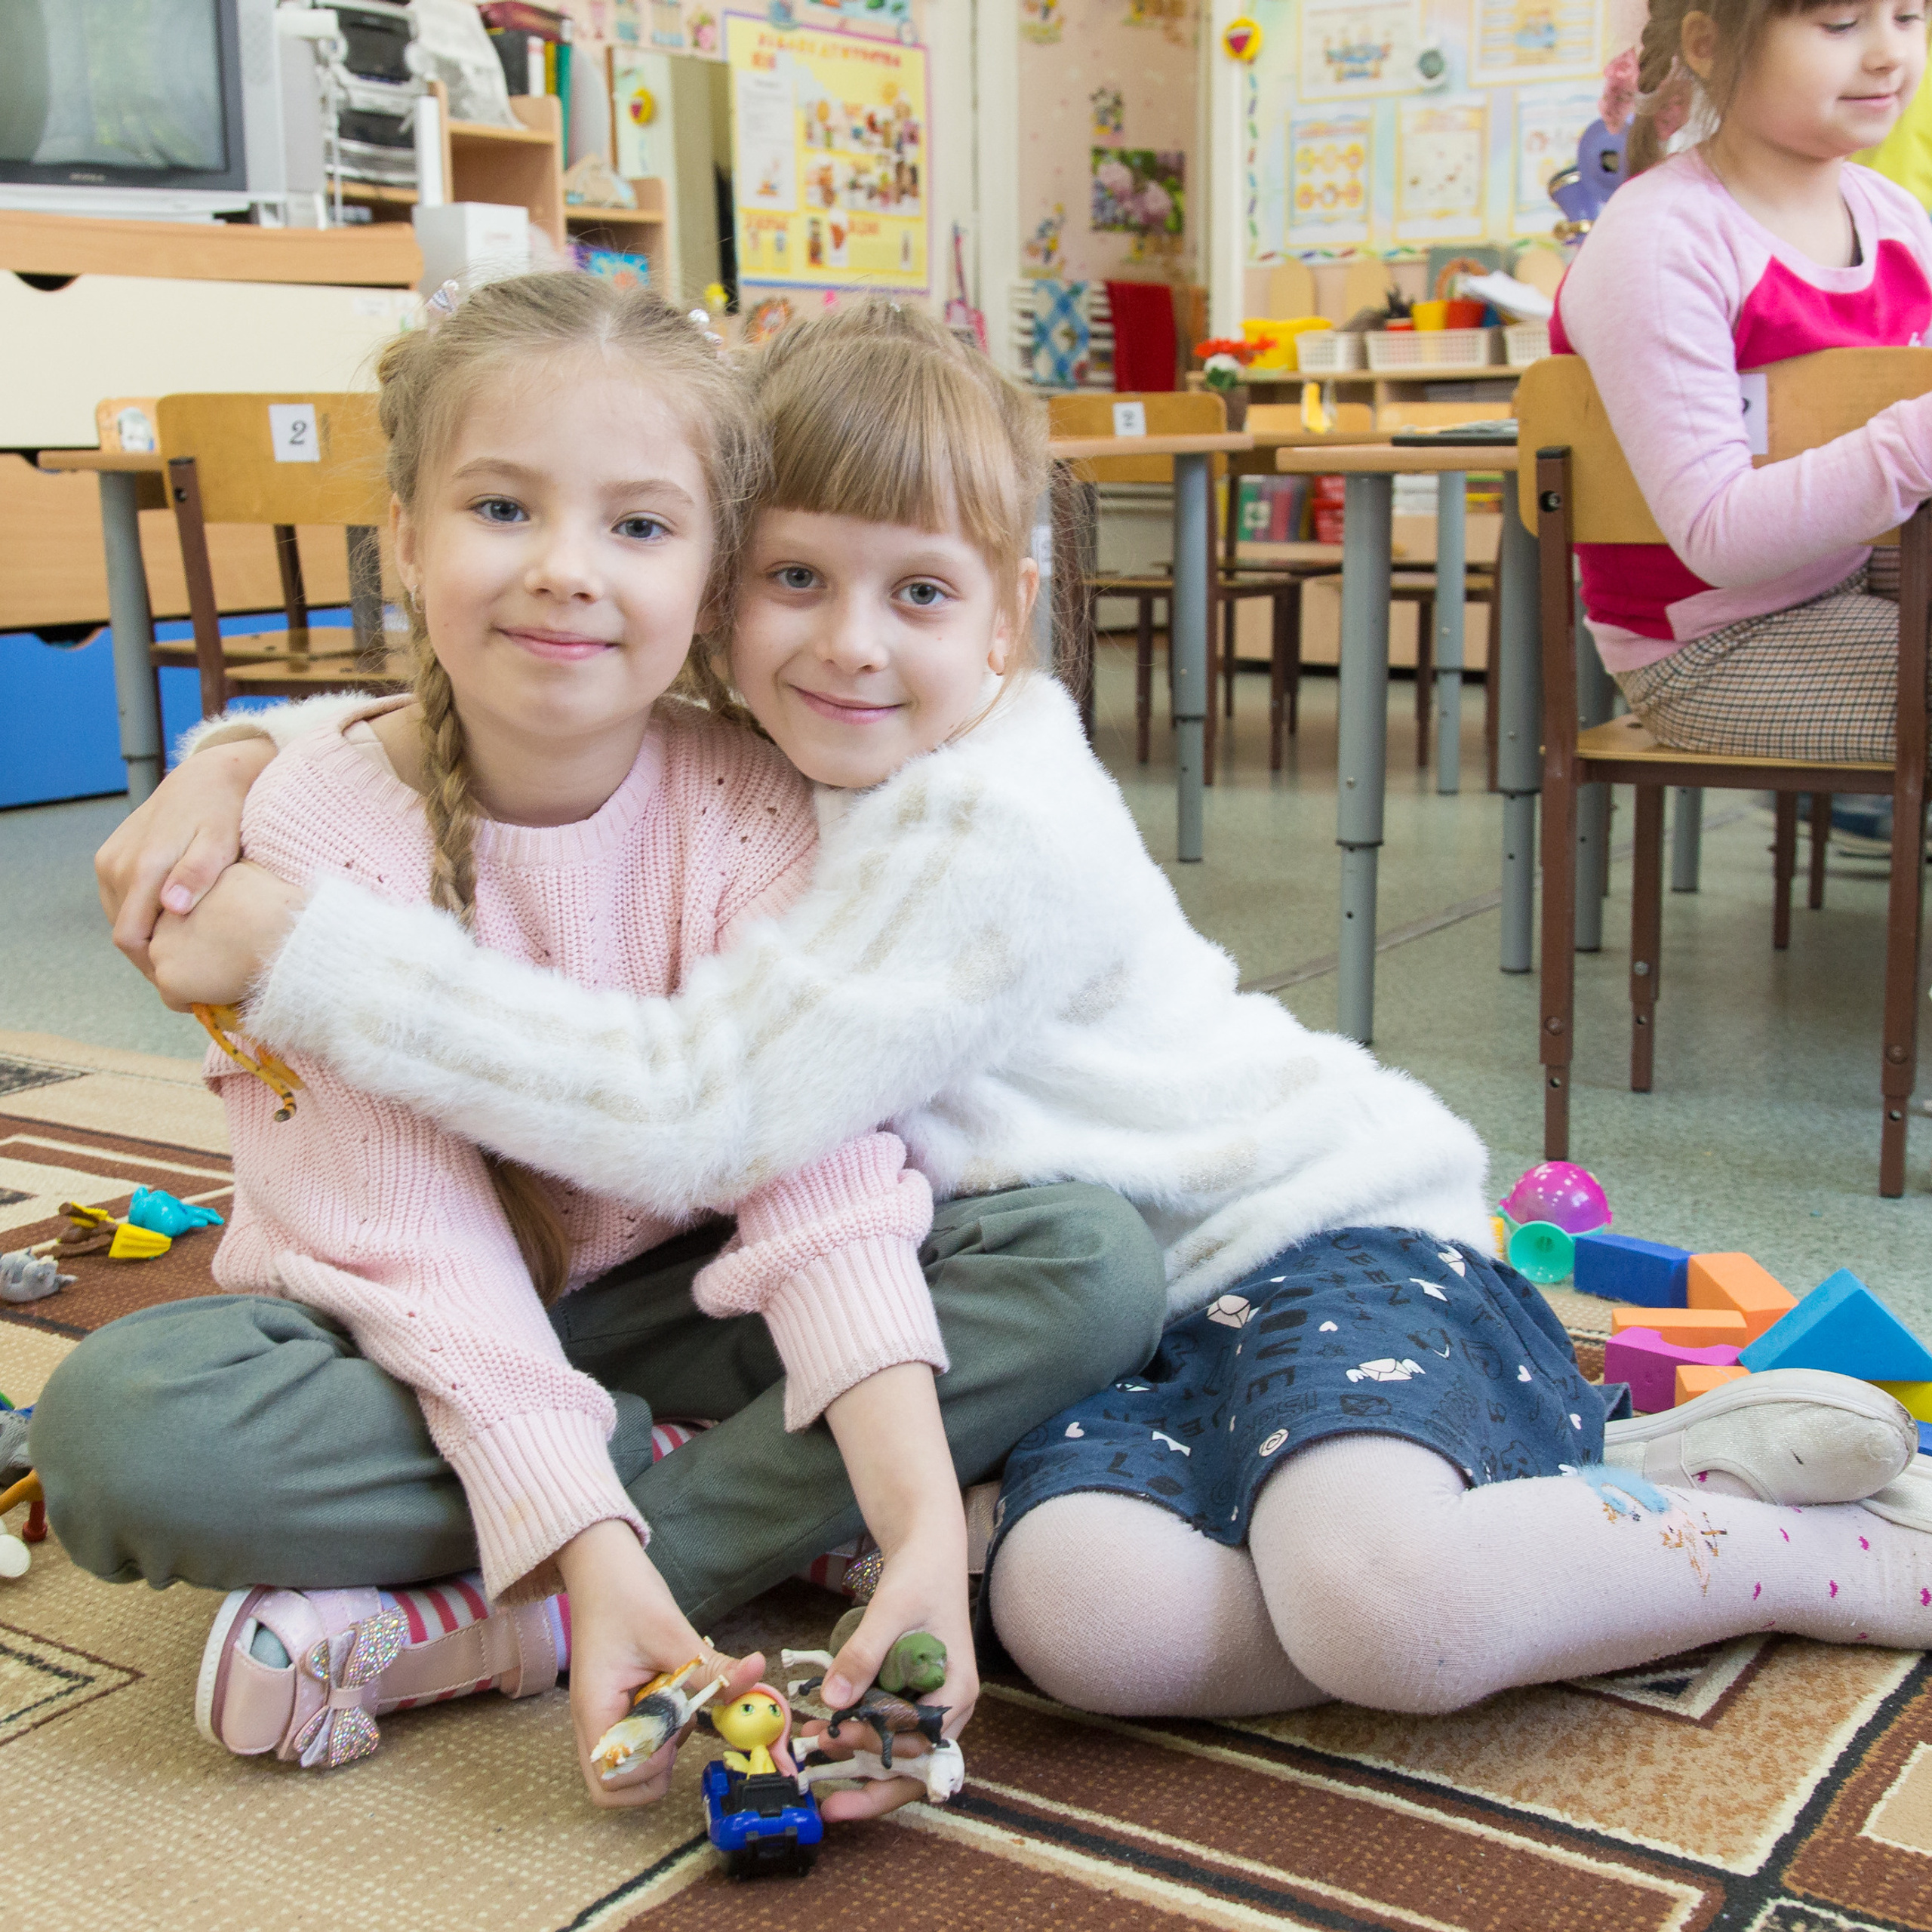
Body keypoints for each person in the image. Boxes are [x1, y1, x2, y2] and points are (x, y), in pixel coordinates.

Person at [99, 300, 1927, 1732]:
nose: (847, 643)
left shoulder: (966, 815)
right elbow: (421, 713)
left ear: (1009, 616)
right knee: (1075, 1623)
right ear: (722, 597)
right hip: (1056, 1346)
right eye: (792, 581)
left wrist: (302, 952)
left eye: (918, 592)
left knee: (1351, 1572)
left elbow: (719, 1121)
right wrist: (231, 759)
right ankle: (1547, 1486)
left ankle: (1760, 1544)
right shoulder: (740, 753)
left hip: (1294, 1248)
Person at [32, 278, 1168, 1814]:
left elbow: (816, 1185)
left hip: (678, 1300)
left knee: (1082, 1258)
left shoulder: (759, 800)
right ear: (407, 538)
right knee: (123, 1432)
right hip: (393, 1335)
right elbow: (422, 1260)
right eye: (502, 506)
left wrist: (910, 1537)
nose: (567, 570)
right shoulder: (305, 828)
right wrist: (592, 1511)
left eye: (638, 527)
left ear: (709, 578)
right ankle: (726, 1497)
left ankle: (522, 1605)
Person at [1552, 0, 1932, 761]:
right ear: (1708, 43)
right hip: (1709, 645)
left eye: (1908, 16)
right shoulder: (1661, 241)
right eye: (1840, 24)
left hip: (1860, 575)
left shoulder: (1894, 215)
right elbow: (1715, 535)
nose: (1889, 54)